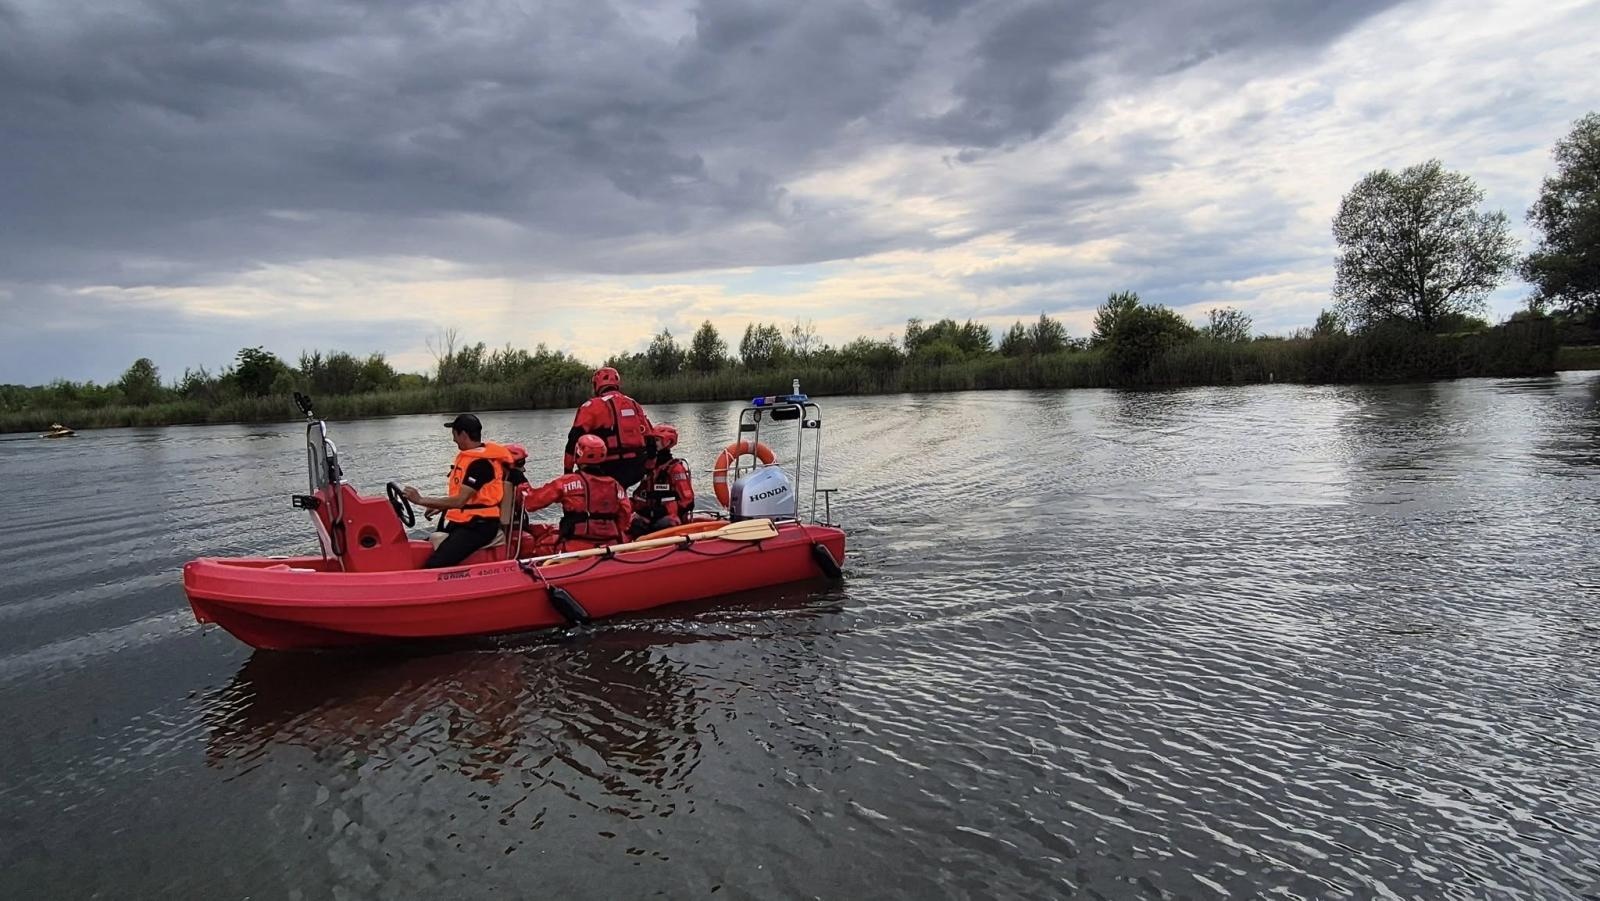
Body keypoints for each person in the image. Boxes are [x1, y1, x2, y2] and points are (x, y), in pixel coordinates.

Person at [403, 414, 515, 569]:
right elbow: (464, 499)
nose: (453, 439)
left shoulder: (481, 465)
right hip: (465, 521)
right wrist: (440, 506)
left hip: (480, 526)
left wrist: (420, 500)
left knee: (435, 564)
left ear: (463, 434)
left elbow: (460, 501)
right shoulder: (470, 458)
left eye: (454, 434)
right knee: (427, 545)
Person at [521, 434, 632, 554]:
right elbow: (625, 513)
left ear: (578, 454)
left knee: (539, 546)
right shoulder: (615, 485)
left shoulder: (567, 482)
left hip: (576, 546)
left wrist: (521, 484)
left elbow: (531, 503)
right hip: (610, 545)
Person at [565, 366, 652, 488]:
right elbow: (650, 438)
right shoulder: (633, 403)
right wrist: (650, 466)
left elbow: (573, 441)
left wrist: (567, 473)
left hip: (607, 467)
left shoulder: (591, 406)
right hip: (637, 467)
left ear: (596, 385)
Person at [629, 424, 696, 538]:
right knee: (634, 525)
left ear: (668, 442)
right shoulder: (650, 469)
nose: (653, 444)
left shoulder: (675, 469)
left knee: (662, 525)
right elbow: (639, 496)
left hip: (669, 517)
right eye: (652, 440)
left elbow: (687, 502)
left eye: (657, 440)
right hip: (650, 515)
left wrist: (663, 510)